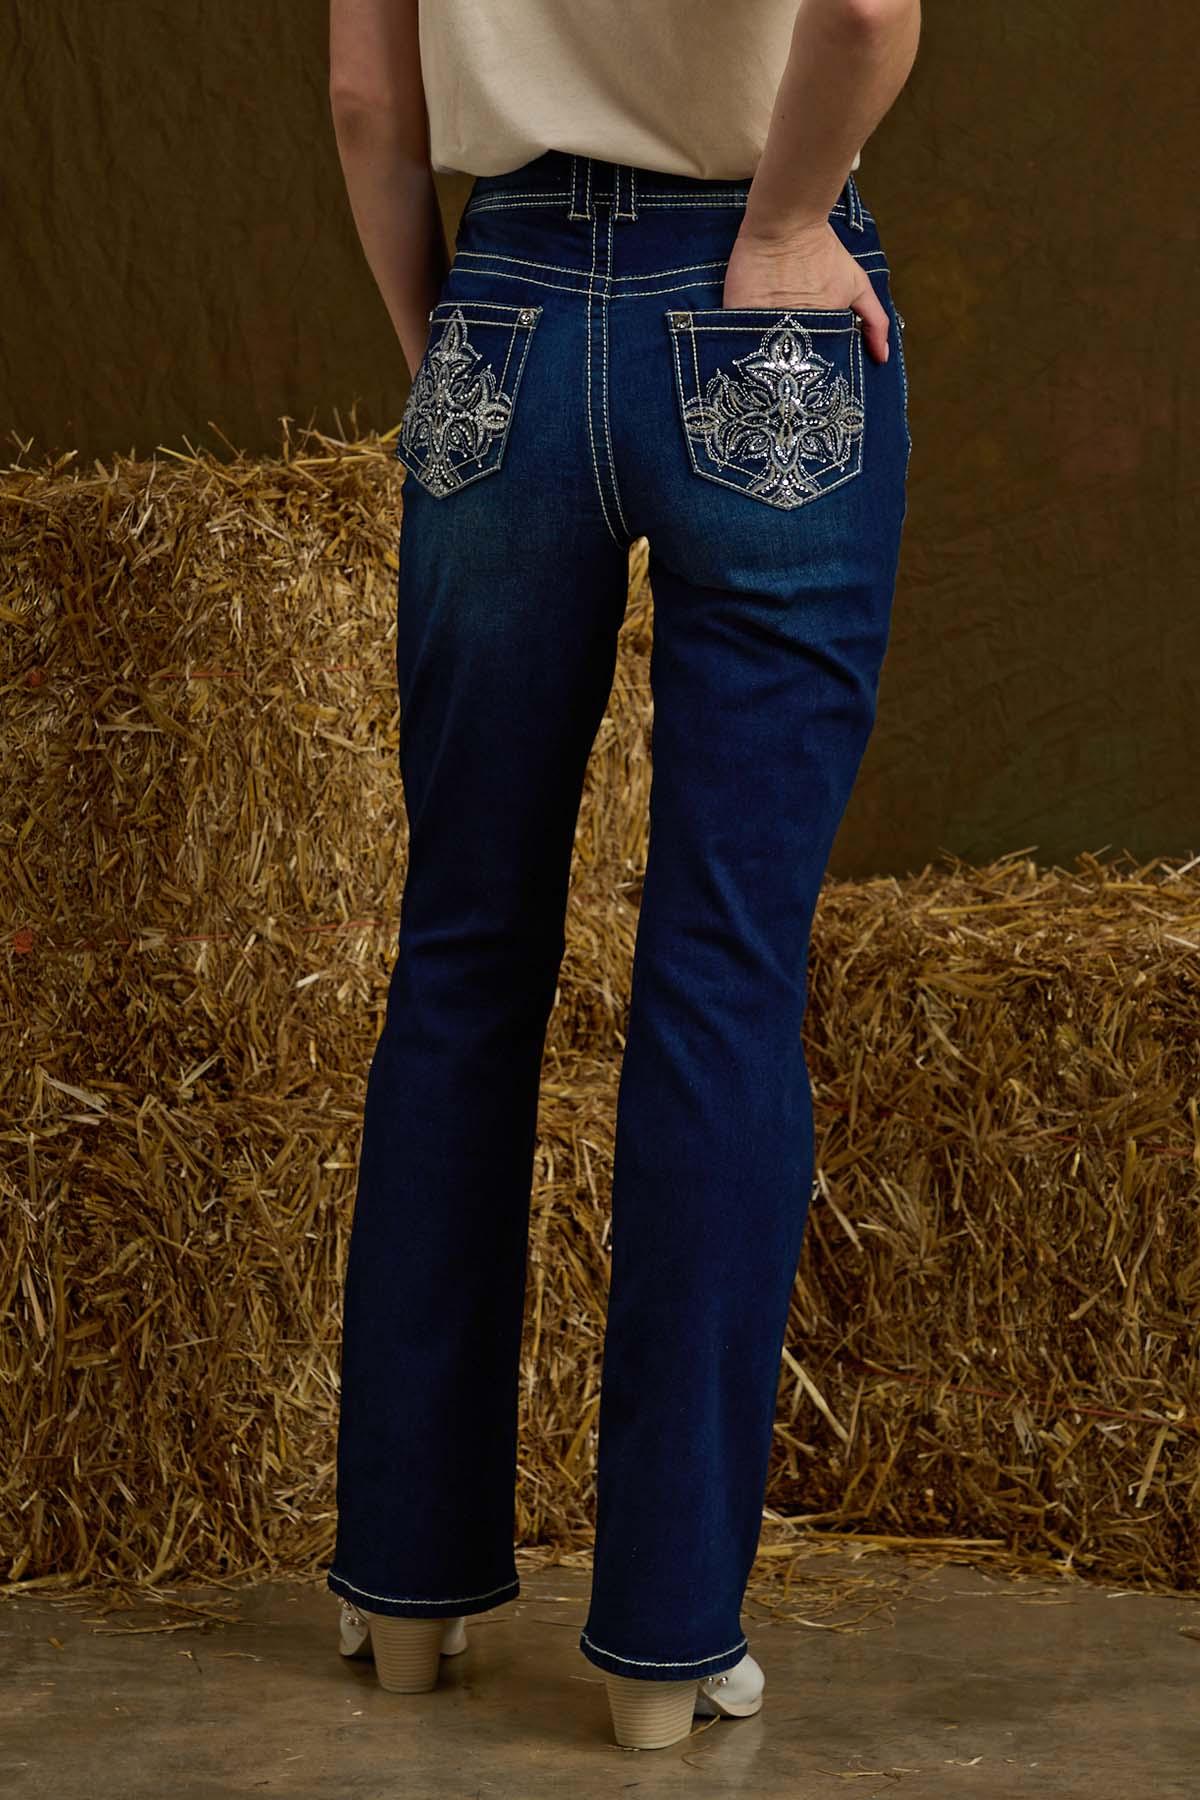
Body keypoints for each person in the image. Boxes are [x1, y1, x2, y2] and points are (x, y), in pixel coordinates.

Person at [324, 0, 920, 1753]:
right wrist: (788, 219)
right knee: (723, 972)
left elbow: (367, 100)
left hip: (501, 314)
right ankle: (662, 1645)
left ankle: (405, 1590)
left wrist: (451, 339)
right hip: (759, 298)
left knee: (462, 956)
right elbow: (865, 10)